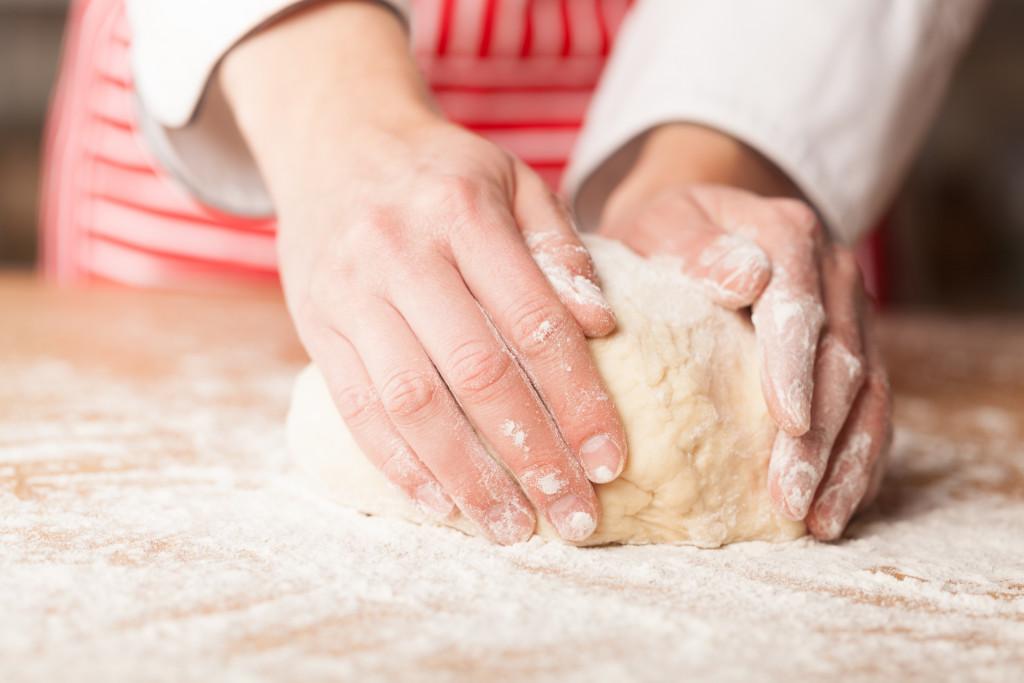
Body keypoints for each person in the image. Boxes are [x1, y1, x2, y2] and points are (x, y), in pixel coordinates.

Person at [41, 0, 989, 543]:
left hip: (759, 105)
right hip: (260, 99)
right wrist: (340, 121)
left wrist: (717, 156)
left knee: (768, 350)